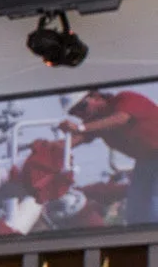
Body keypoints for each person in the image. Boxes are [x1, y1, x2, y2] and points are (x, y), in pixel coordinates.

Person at [64, 88, 158, 226]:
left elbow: (121, 118)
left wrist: (81, 128)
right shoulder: (98, 124)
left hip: (152, 158)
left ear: (96, 96)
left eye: (82, 107)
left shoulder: (125, 98)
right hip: (146, 161)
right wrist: (45, 147)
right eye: (75, 113)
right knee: (135, 212)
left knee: (154, 206)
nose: (81, 114)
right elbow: (73, 141)